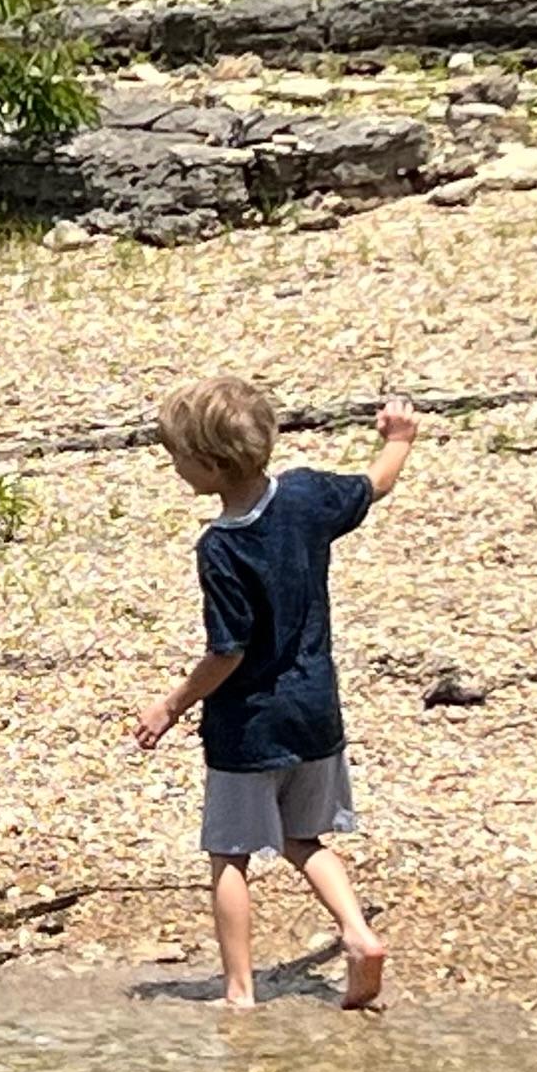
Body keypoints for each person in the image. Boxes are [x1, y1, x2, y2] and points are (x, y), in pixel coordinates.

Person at [133, 376, 419, 1013]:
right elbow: (375, 484)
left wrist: (171, 706)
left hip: (249, 724)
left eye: (177, 456)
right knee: (302, 840)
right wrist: (399, 439)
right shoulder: (308, 496)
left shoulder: (222, 547)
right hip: (317, 711)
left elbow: (227, 651)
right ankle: (358, 932)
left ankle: (239, 993)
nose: (174, 466)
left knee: (229, 853)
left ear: (208, 464)